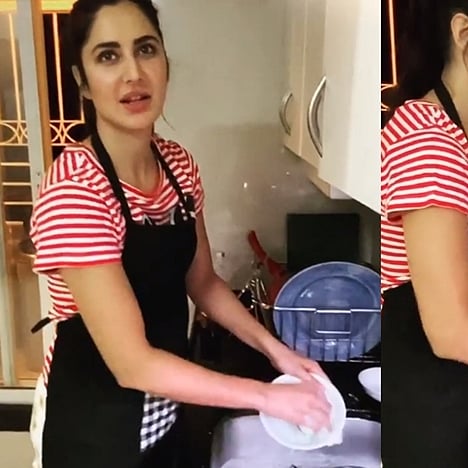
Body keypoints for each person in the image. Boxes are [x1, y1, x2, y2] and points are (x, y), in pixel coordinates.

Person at [28, 1, 331, 467]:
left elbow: (203, 281)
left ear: (165, 62)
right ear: (82, 81)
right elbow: (133, 365)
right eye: (108, 56)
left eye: (145, 49)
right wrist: (268, 397)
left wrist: (277, 352)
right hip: (94, 432)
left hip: (166, 417)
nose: (134, 73)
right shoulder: (75, 191)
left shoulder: (178, 166)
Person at [381, 1, 468, 467]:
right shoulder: (428, 141)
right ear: (464, 35)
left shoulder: (457, 139)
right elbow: (453, 332)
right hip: (435, 425)